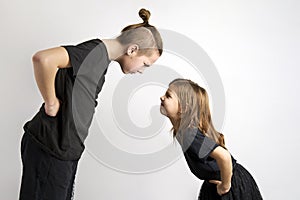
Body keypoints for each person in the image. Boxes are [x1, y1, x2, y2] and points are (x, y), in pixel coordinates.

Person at [19, 8, 163, 200]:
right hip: (51, 147)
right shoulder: (94, 52)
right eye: (145, 64)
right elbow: (43, 59)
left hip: (63, 150)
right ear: (133, 49)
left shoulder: (100, 58)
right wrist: (51, 102)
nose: (142, 71)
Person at [160, 78, 263, 200]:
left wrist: (225, 187)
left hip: (229, 184)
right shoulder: (182, 132)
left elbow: (224, 156)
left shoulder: (189, 135)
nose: (162, 97)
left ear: (183, 108)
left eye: (168, 95)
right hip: (217, 183)